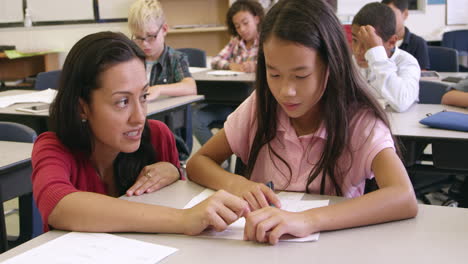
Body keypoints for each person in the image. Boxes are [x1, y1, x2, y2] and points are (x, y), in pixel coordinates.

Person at [187, 0, 417, 245]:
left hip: (334, 250)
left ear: (332, 66)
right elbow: (198, 163)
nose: (286, 91)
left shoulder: (358, 120)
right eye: (274, 74)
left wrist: (307, 220)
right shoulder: (261, 105)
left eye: (301, 75)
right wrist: (237, 184)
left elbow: (403, 196)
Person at [31, 32, 249, 234]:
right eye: (122, 101)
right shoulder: (52, 147)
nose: (139, 117)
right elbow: (60, 205)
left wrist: (174, 170)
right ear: (82, 107)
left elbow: (176, 196)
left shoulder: (157, 136)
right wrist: (184, 219)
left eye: (143, 97)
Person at [193, 0, 265, 148]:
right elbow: (216, 61)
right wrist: (231, 65)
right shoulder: (235, 42)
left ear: (256, 18)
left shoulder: (267, 40)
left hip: (252, 105)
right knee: (195, 118)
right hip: (229, 100)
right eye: (237, 26)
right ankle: (218, 161)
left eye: (245, 23)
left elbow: (275, 66)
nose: (242, 30)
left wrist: (257, 66)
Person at [352, 2, 420, 113]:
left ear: (392, 42)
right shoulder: (352, 61)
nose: (358, 51)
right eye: (355, 40)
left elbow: (401, 102)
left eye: (368, 44)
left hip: (401, 127)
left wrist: (376, 55)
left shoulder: (407, 62)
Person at [128, 0, 196, 101]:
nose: (144, 44)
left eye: (150, 36)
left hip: (164, 115)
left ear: (164, 29)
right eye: (138, 37)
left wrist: (159, 89)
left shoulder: (175, 58)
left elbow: (190, 87)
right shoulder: (130, 59)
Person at [382, 0, 430, 70]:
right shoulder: (378, 41)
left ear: (405, 14)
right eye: (384, 16)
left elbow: (422, 76)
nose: (387, 20)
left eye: (391, 15)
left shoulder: (418, 43)